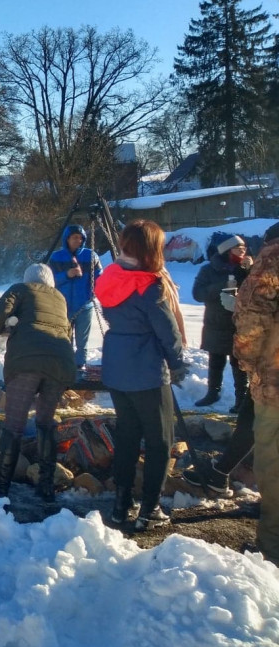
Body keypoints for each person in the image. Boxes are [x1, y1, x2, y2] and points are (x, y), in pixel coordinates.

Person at [94, 220, 186, 531]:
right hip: (146, 370)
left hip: (117, 366)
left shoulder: (111, 278)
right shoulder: (149, 284)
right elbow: (167, 330)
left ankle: (121, 505)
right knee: (160, 440)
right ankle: (150, 507)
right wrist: (178, 362)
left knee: (128, 436)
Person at [0, 263, 75, 502]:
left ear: (29, 279)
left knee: (14, 424)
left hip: (27, 360)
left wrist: (2, 329)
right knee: (46, 423)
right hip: (60, 362)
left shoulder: (21, 289)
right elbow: (68, 331)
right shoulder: (60, 298)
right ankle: (46, 486)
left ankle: (1, 489)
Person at [233, 220, 279, 565]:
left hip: (276, 384)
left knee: (273, 464)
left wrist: (249, 365)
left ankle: (271, 552)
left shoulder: (270, 265)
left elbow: (251, 323)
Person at [192, 234, 253, 412]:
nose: (243, 252)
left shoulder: (245, 268)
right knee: (215, 360)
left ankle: (240, 399)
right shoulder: (209, 270)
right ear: (227, 251)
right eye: (238, 249)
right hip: (216, 323)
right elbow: (197, 293)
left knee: (238, 363)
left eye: (244, 249)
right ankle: (213, 392)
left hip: (239, 324)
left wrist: (251, 270)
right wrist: (221, 286)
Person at [49, 224, 103, 373]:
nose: (77, 241)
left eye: (80, 238)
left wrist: (94, 293)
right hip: (62, 306)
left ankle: (80, 367)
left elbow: (99, 279)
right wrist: (67, 275)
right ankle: (65, 367)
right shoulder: (56, 257)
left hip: (84, 305)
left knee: (82, 341)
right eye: (74, 238)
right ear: (67, 239)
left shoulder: (90, 256)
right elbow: (50, 280)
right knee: (64, 339)